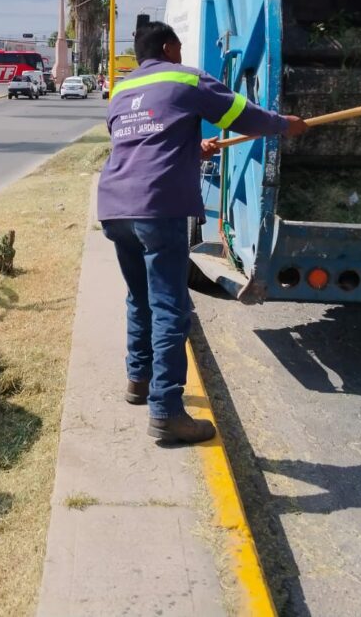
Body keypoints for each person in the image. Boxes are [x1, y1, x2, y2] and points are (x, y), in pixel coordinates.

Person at [98, 22, 307, 444]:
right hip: (158, 206)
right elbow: (241, 115)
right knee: (171, 306)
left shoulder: (121, 91)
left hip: (115, 206)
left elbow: (142, 144)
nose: (181, 51)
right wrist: (285, 125)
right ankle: (167, 412)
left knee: (139, 297)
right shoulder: (184, 76)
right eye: (178, 45)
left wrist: (192, 148)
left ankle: (137, 381)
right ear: (168, 46)